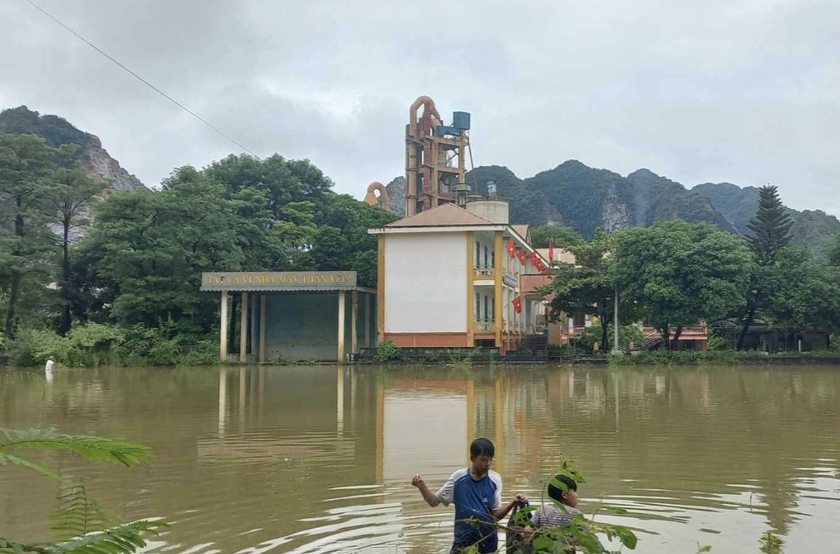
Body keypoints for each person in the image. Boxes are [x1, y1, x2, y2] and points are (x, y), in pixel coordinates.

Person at [411, 438, 525, 554]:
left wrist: (513, 502)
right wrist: (421, 486)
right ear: (472, 458)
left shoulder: (495, 479)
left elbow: (495, 516)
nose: (488, 464)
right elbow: (433, 501)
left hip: (488, 542)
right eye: (484, 460)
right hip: (462, 542)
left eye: (490, 460)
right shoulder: (458, 478)